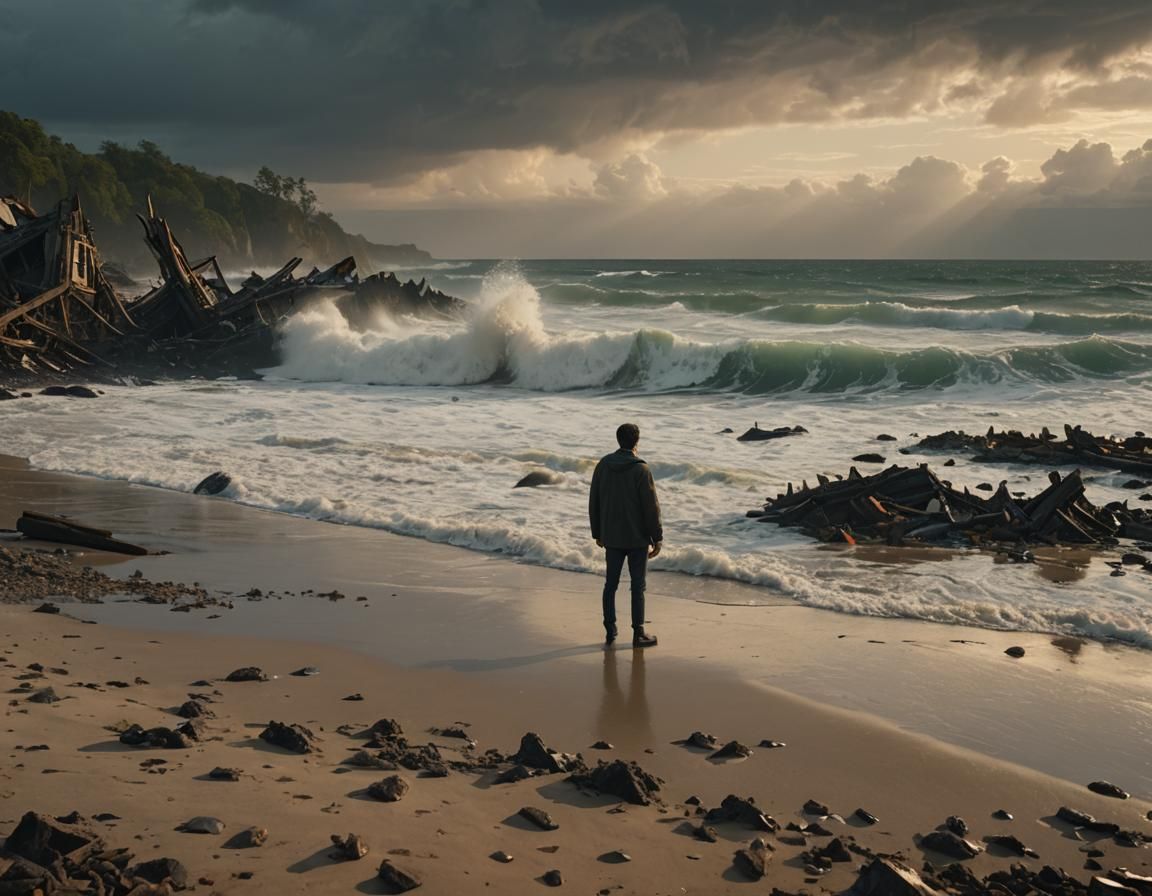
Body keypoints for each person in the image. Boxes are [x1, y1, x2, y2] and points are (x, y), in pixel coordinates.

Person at [588, 422, 663, 648]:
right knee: (637, 586)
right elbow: (651, 507)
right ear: (637, 441)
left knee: (610, 585)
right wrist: (657, 537)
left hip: (612, 536)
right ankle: (638, 633)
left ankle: (610, 630)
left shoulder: (603, 465)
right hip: (637, 537)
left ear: (618, 439)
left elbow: (594, 501)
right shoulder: (641, 469)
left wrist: (597, 532)